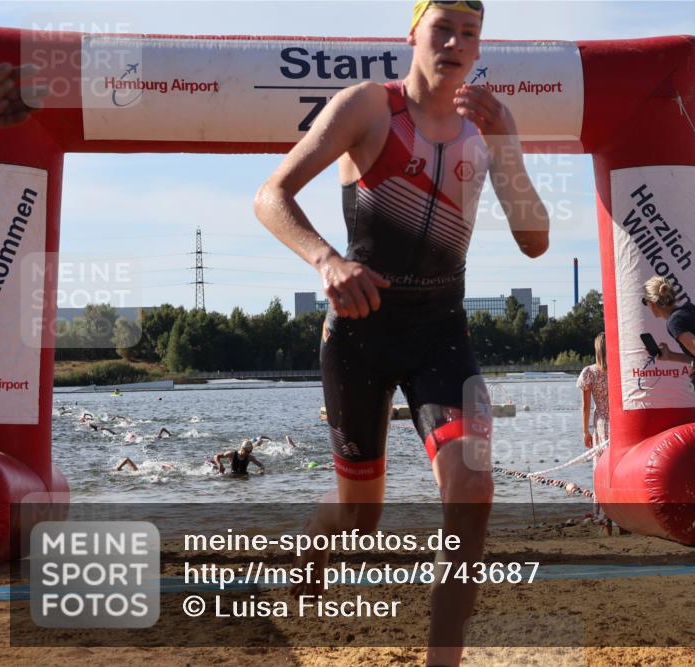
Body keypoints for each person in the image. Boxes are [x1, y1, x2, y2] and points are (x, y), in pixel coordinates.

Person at [252, 2, 548, 664]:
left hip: (442, 332)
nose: (453, 42)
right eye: (441, 26)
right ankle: (309, 550)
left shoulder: (487, 125)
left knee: (472, 489)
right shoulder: (368, 107)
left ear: (479, 47)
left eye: (468, 32)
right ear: (412, 33)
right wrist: (327, 259)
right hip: (359, 332)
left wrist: (507, 144)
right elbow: (270, 195)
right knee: (360, 515)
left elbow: (534, 242)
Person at [642, 276, 695, 370]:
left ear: (651, 302)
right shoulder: (691, 309)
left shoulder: (675, 322)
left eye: (645, 301)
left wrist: (693, 369)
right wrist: (670, 355)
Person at [578, 333, 611, 534]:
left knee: (600, 469)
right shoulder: (619, 371)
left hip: (601, 424)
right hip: (620, 421)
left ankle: (604, 517)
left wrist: (585, 431)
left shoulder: (589, 373)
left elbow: (585, 406)